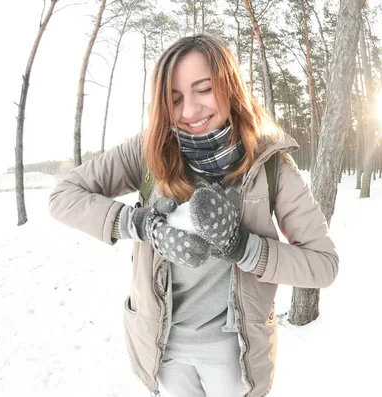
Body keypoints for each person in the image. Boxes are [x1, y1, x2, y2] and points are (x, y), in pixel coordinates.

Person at [49, 34, 338, 397]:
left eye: (203, 90)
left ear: (229, 86)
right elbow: (63, 196)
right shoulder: (148, 149)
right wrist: (142, 226)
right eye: (174, 99)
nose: (189, 111)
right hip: (162, 348)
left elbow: (324, 265)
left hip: (235, 355)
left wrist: (244, 248)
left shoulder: (271, 165)